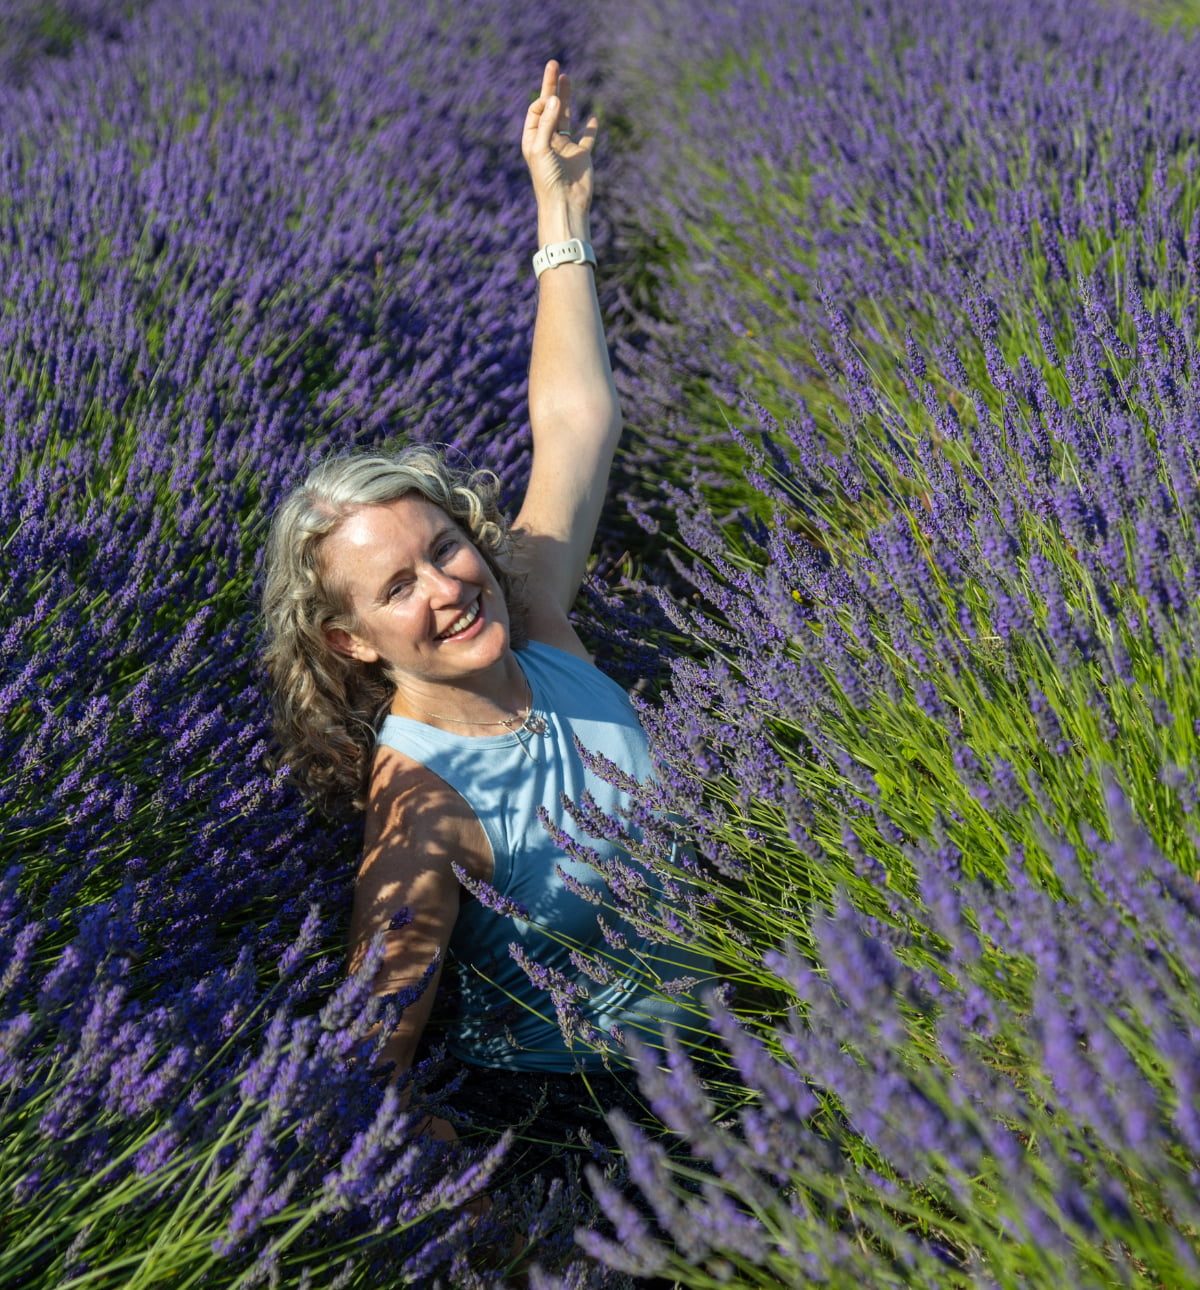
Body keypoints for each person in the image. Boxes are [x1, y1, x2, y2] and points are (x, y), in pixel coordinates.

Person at [260, 60, 710, 1185]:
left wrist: (560, 209)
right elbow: (370, 1054)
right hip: (599, 1127)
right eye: (396, 587)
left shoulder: (537, 624)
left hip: (718, 1038)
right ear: (351, 641)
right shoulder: (420, 811)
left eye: (445, 550)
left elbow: (573, 427)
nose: (447, 588)